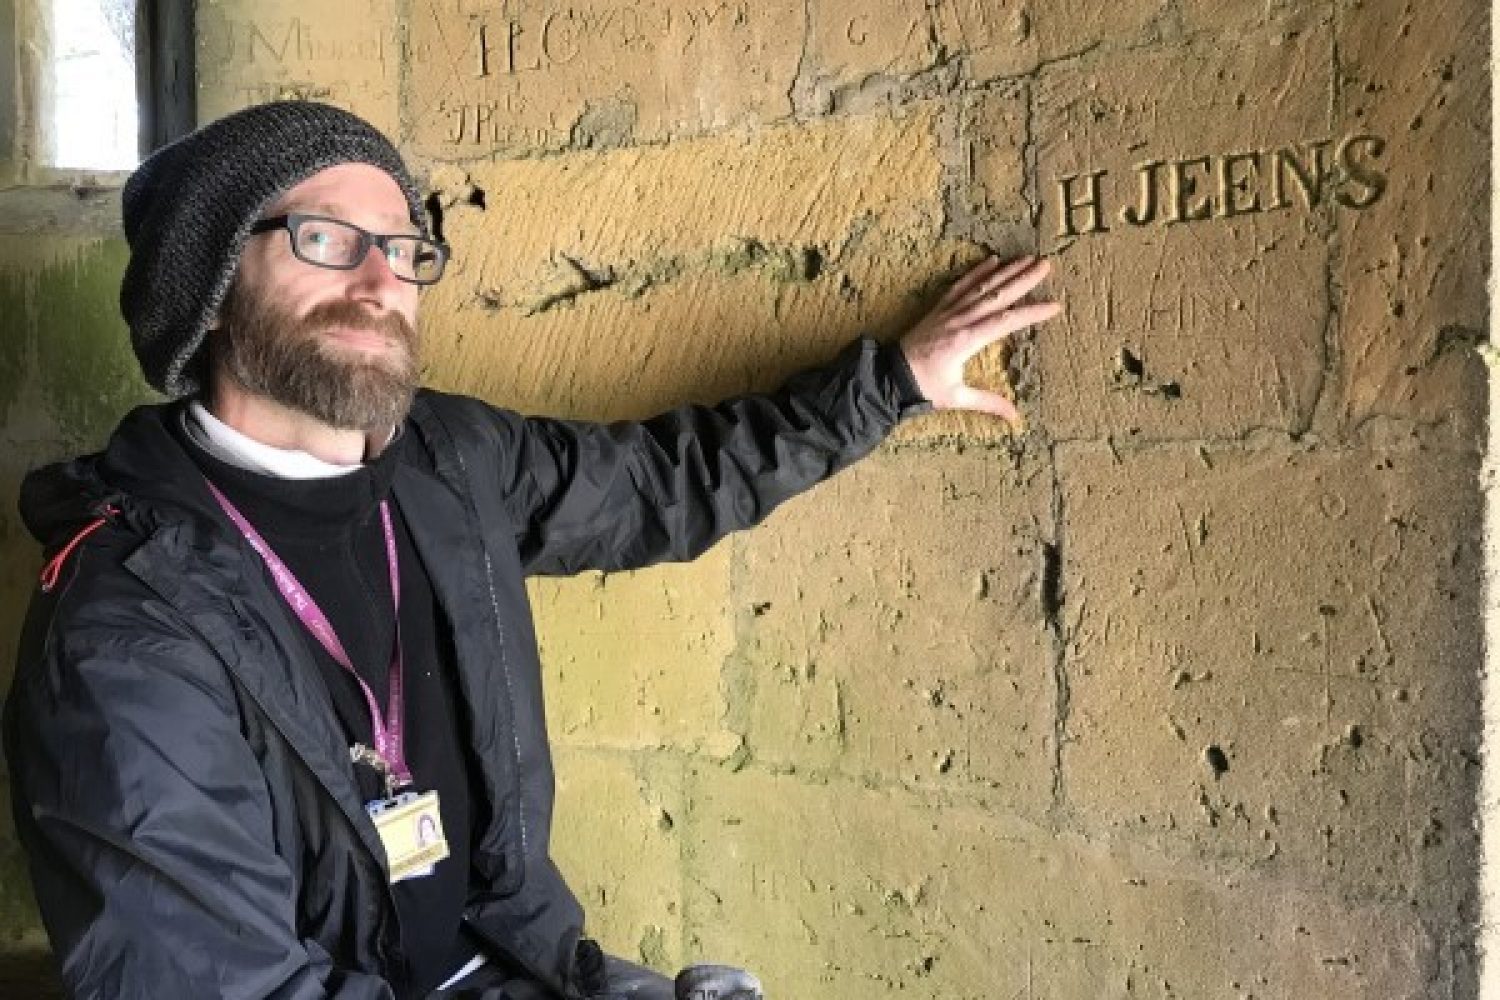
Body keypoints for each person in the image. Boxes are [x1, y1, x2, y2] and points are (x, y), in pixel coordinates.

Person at [3, 101, 1060, 1000]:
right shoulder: (122, 635)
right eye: (326, 238)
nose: (382, 282)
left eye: (408, 246)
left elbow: (662, 483)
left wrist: (893, 385)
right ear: (212, 283)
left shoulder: (446, 463)